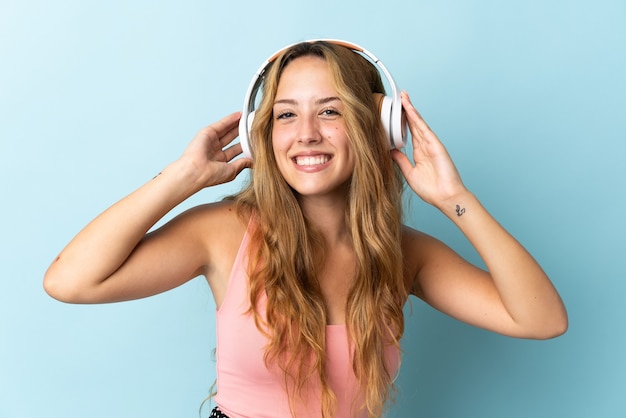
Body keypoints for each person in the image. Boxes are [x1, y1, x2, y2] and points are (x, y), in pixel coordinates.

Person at [43, 40, 568, 418]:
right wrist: (182, 179)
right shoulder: (226, 233)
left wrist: (456, 200)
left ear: (375, 125)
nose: (306, 135)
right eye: (286, 115)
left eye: (331, 111)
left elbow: (542, 319)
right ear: (262, 134)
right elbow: (70, 281)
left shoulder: (404, 255)